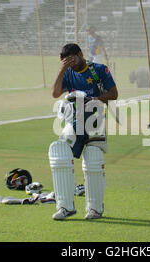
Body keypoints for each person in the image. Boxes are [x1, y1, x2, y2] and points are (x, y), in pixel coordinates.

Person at [49, 43, 118, 220]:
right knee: (60, 152)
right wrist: (62, 69)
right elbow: (55, 93)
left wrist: (94, 99)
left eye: (72, 60)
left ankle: (94, 209)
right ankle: (65, 207)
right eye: (66, 62)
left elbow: (113, 93)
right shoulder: (67, 72)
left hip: (95, 121)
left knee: (93, 159)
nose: (71, 64)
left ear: (80, 54)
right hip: (74, 121)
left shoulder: (99, 70)